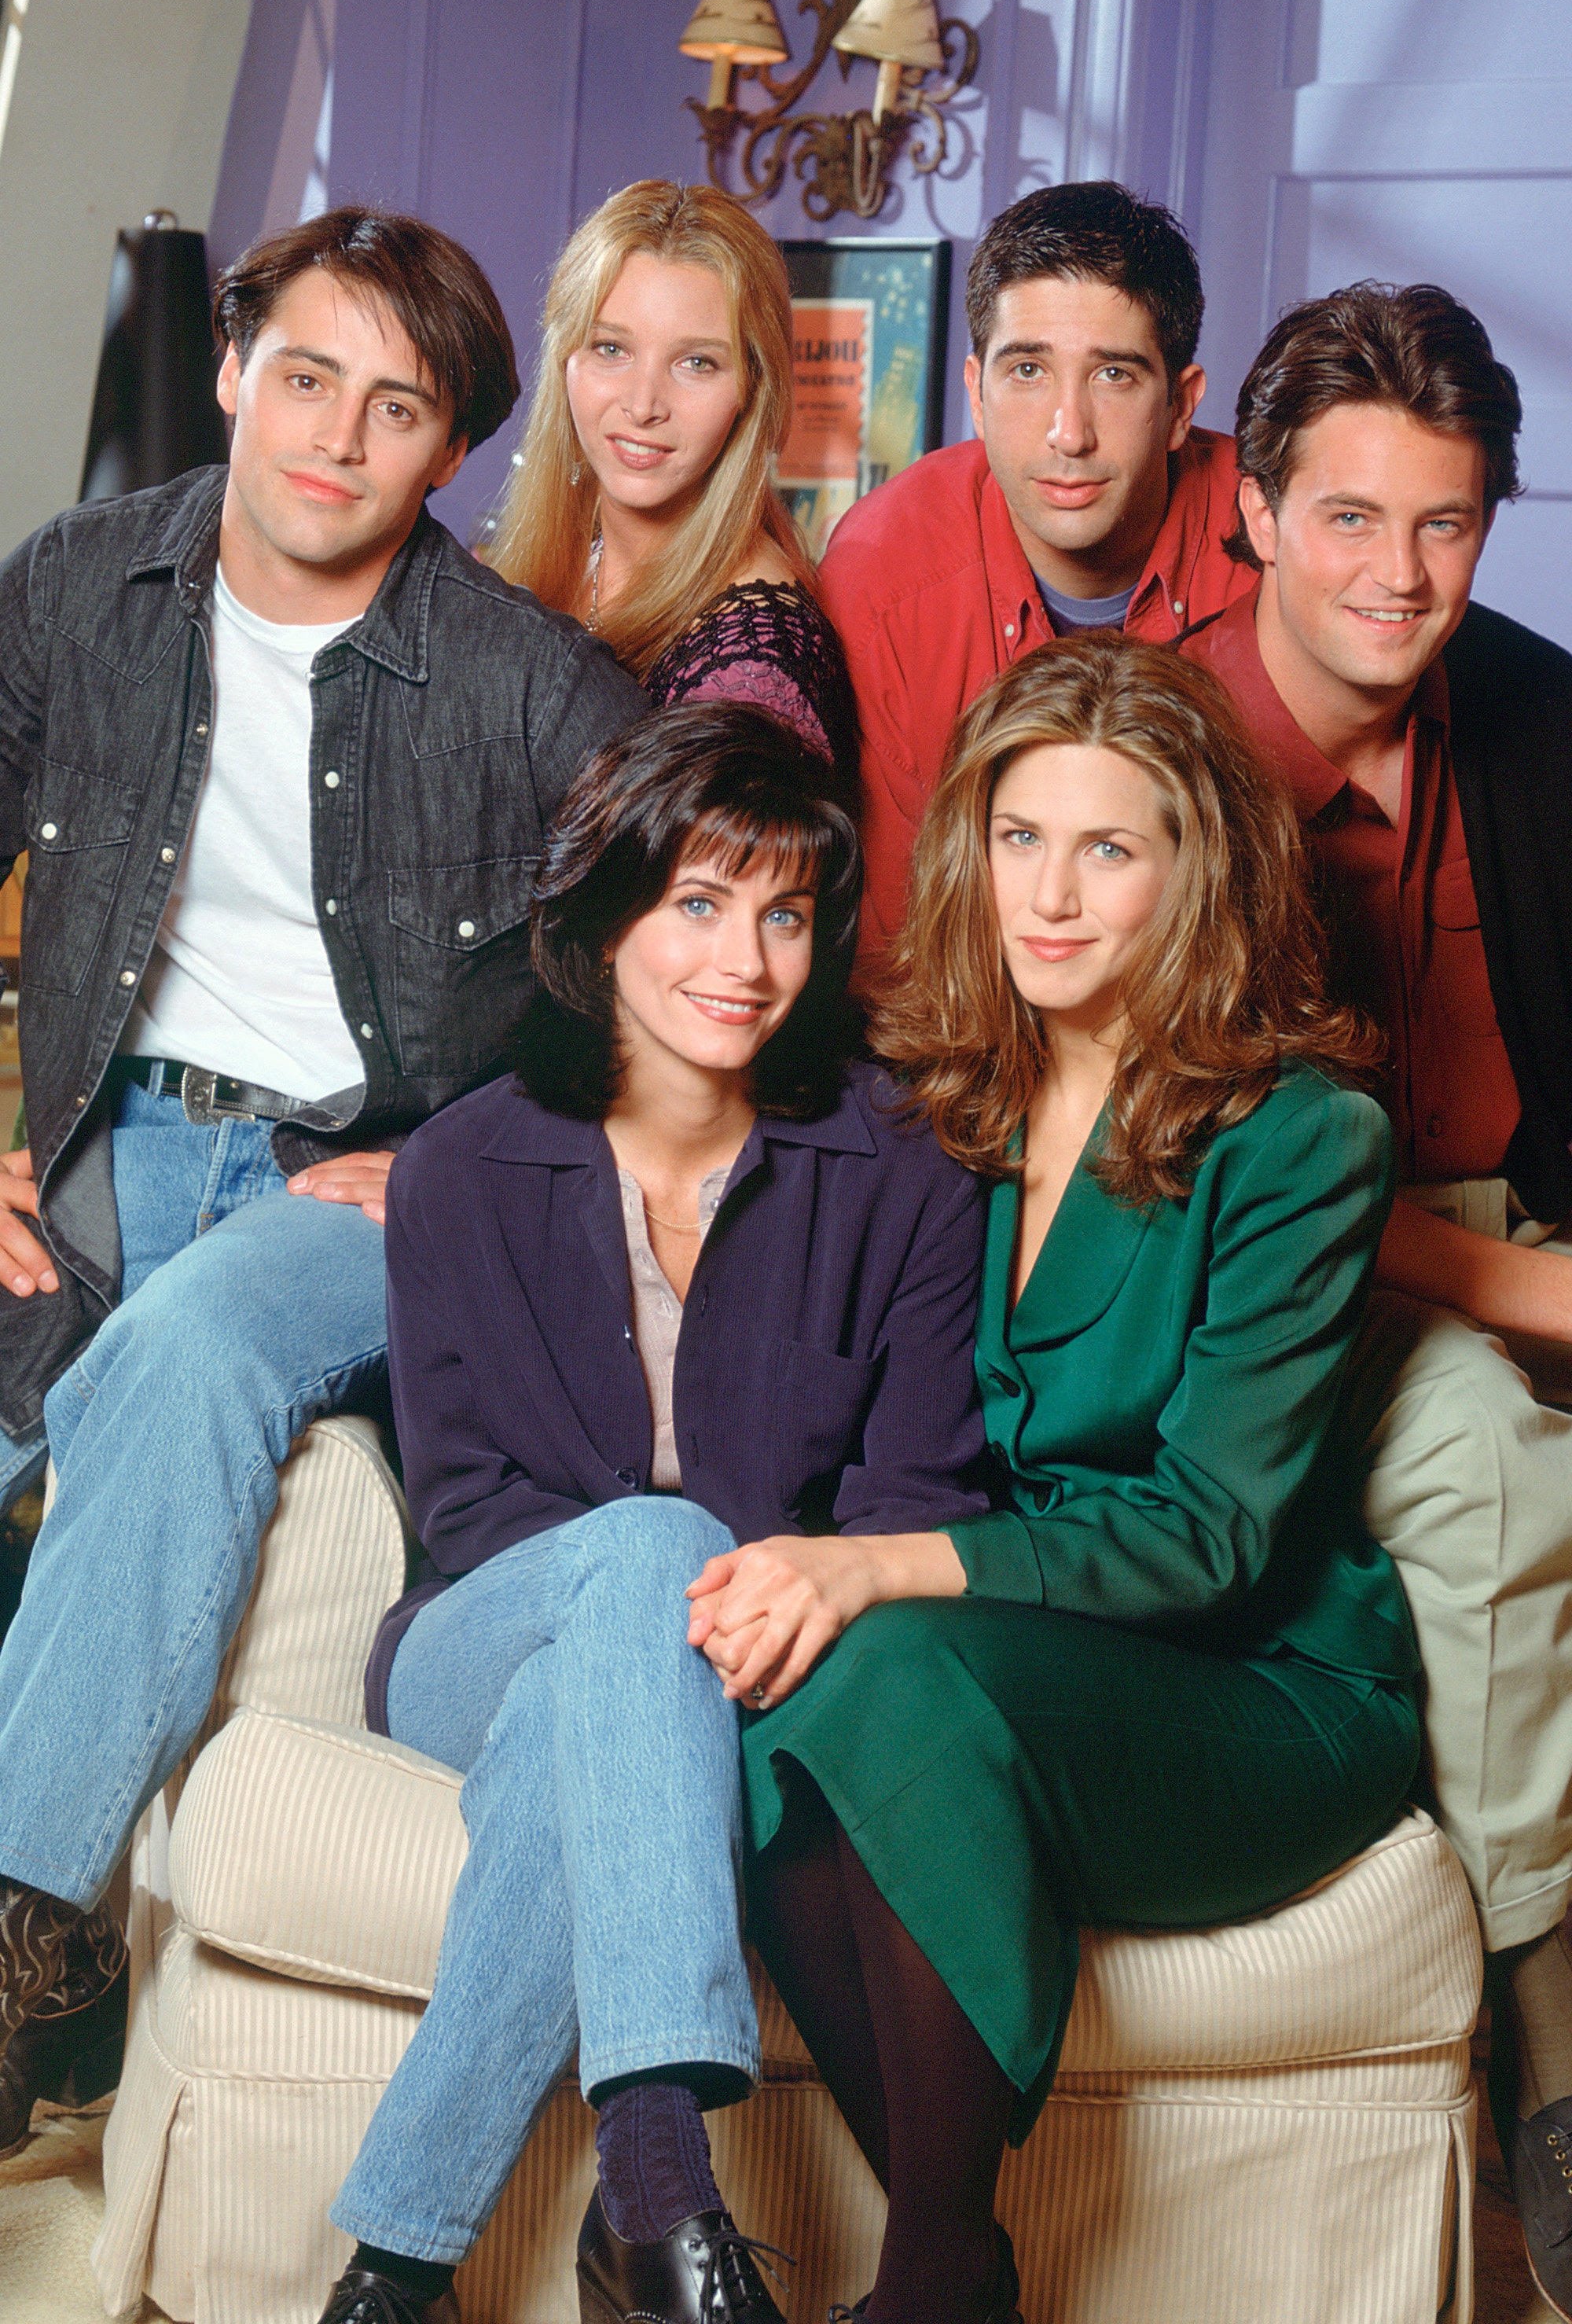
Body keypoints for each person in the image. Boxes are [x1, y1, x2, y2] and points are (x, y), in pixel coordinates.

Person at [0, 206, 644, 2155]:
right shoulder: (81, 584)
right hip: (103, 1135)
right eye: (302, 378)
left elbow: (676, 990)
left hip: (366, 1189)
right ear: (230, 368)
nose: (332, 440)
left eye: (394, 408)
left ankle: (18, 1933)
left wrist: (458, 1156)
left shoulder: (533, 683)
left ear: (449, 448)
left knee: (192, 1352)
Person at [683, 637, 1422, 2324]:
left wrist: (879, 1565)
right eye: (1021, 838)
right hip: (1004, 1657)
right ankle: (959, 2274)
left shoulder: (1304, 1137)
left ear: (1198, 872)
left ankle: (932, 2272)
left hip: (1258, 1691)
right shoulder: (938, 1096)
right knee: (758, 1691)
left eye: (1110, 849)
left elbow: (1209, 1537)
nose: (1053, 896)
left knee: (879, 1658)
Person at [315, 704, 990, 2324]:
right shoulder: (462, 1167)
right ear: (605, 915)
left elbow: (913, 1492)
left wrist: (731, 1623)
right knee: (651, 1551)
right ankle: (661, 2179)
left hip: (755, 1660)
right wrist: (676, 1589)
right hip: (479, 1637)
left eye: (785, 914)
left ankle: (399, 2272)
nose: (744, 961)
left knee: (596, 1725)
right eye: (697, 903)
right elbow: (470, 1504)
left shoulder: (901, 1165)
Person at [1181, 278, 1572, 2314]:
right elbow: (1224, 1156)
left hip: (1511, 1221)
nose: (1399, 575)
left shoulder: (1532, 717)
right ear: (1251, 510)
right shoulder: (1147, 754)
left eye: (1444, 522)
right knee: (1494, 1463)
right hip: (1258, 1265)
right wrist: (1532, 1298)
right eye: (1348, 517)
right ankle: (1551, 2059)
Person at [816, 180, 1258, 956]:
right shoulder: (883, 573)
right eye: (1027, 370)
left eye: (1113, 374)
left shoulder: (1271, 544)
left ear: (1181, 407)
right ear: (976, 394)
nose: (1068, 433)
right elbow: (901, 946)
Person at [485, 179, 856, 779]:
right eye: (611, 349)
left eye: (696, 363)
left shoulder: (756, 665)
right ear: (564, 360)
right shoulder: (566, 562)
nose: (643, 404)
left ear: (753, 388)